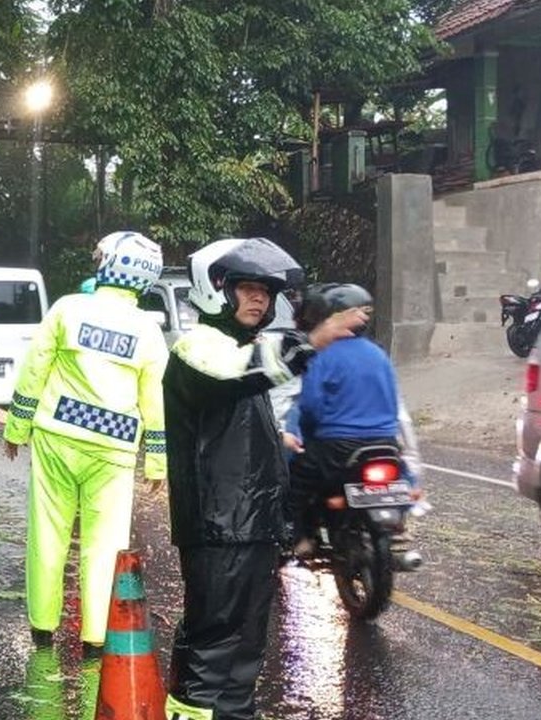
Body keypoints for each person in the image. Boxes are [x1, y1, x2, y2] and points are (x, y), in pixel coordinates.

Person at [162, 238, 368, 720]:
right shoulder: (199, 345)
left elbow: (236, 412)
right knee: (212, 652)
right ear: (216, 289)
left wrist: (277, 441)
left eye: (265, 292)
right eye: (247, 288)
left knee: (245, 655)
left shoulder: (237, 346)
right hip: (219, 529)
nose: (259, 299)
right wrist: (311, 341)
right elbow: (241, 375)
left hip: (251, 526)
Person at [2, 230, 169, 655]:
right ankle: (94, 638)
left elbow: (34, 370)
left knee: (48, 535)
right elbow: (156, 400)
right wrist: (157, 463)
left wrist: (16, 429)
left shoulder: (68, 309)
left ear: (107, 264)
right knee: (104, 544)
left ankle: (42, 629)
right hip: (113, 450)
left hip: (56, 437)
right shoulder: (147, 331)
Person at [283, 283, 403, 557]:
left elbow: (310, 405)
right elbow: (395, 402)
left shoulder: (321, 356)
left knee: (298, 479)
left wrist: (306, 433)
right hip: (385, 443)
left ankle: (302, 537)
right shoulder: (379, 355)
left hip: (337, 447)